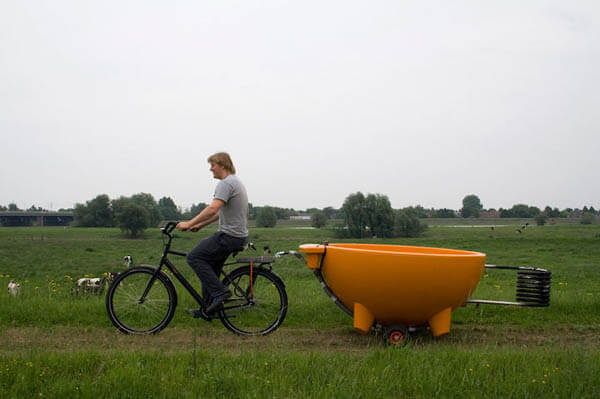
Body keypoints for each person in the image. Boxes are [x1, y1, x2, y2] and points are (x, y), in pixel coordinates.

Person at [176, 152, 248, 315]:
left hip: (229, 236)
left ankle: (221, 293)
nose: (211, 169)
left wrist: (189, 222)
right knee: (210, 266)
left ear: (222, 165)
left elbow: (213, 208)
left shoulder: (226, 183)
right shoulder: (235, 182)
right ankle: (209, 308)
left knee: (194, 257)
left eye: (213, 165)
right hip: (237, 236)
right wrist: (200, 225)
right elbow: (218, 214)